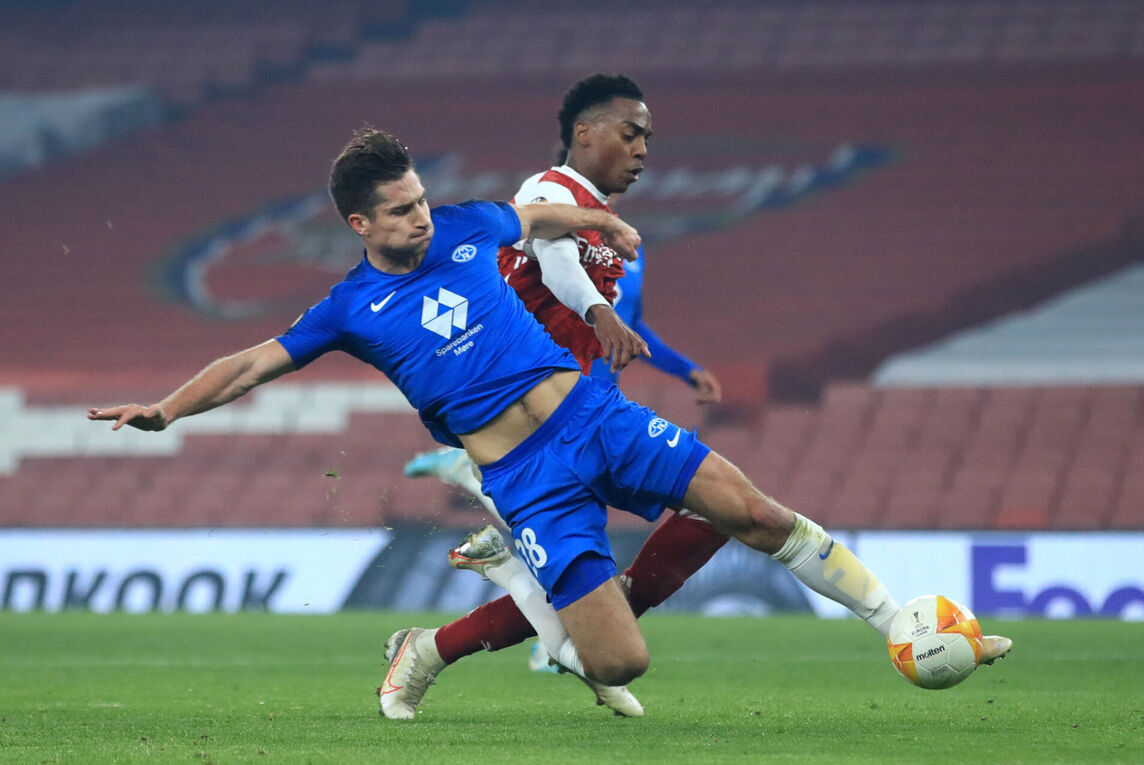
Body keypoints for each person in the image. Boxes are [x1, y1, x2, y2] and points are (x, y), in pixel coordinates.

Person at [89, 126, 1012, 725]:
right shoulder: (349, 307)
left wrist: (600, 222)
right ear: (360, 222)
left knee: (752, 511)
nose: (423, 214)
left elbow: (533, 215)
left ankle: (897, 620)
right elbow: (251, 361)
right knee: (621, 659)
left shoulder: (466, 224)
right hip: (525, 475)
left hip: (595, 415)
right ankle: (497, 575)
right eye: (403, 208)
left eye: (422, 198)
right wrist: (167, 407)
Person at [402, 74, 731, 696]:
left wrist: (684, 370)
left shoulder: (620, 242)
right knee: (623, 576)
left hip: (594, 406)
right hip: (539, 424)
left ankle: (466, 635)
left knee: (708, 516)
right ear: (585, 137)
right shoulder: (542, 208)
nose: (641, 153)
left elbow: (630, 329)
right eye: (631, 136)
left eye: (646, 141)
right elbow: (558, 274)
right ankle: (537, 616)